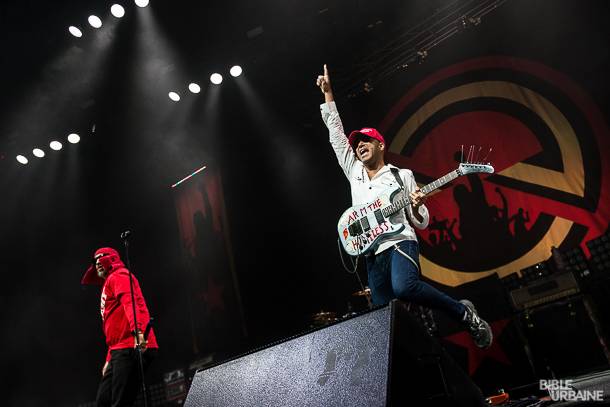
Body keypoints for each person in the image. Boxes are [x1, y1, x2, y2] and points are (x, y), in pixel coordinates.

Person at [316, 64, 492, 348]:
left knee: (405, 287)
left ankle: (463, 313)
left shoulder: (402, 175)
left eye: (366, 141)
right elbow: (336, 135)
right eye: (357, 144)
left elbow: (419, 221)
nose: (359, 146)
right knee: (386, 320)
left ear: (380, 145)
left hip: (400, 242)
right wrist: (328, 95)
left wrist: (419, 204)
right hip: (372, 252)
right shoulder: (354, 171)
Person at [81, 247, 159, 406]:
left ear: (112, 260)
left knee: (120, 402)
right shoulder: (108, 283)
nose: (97, 263)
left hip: (131, 345)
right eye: (95, 261)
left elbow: (130, 303)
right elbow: (114, 330)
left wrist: (138, 332)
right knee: (103, 401)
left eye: (102, 258)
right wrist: (109, 359)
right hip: (118, 349)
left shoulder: (119, 276)